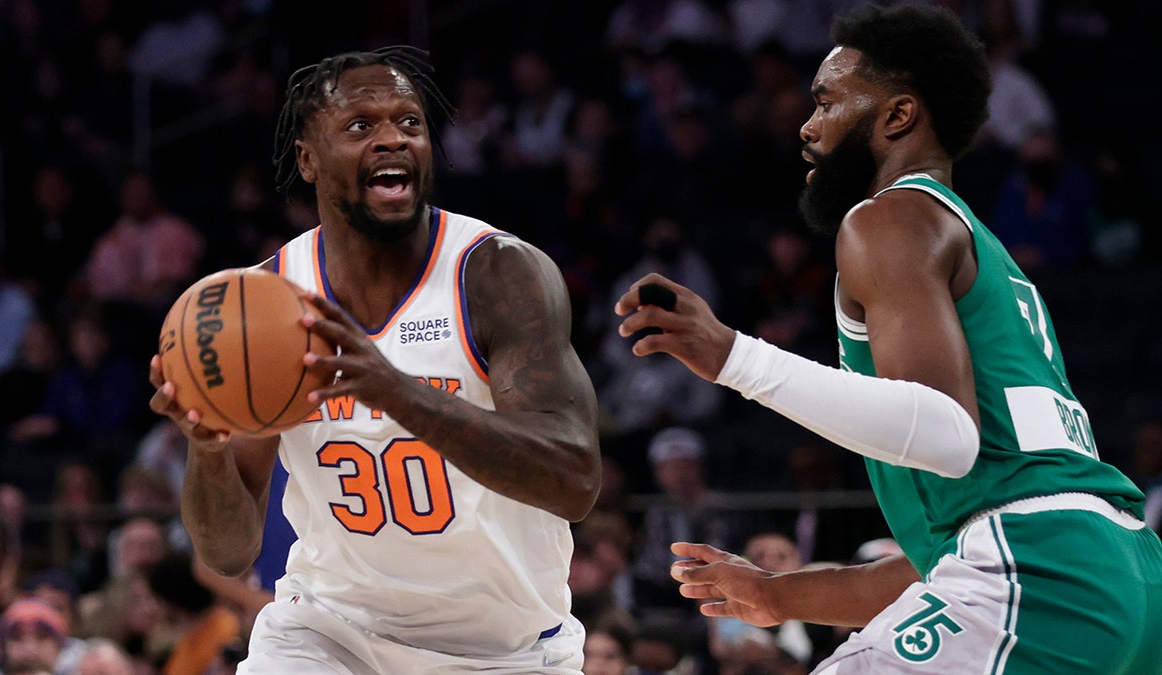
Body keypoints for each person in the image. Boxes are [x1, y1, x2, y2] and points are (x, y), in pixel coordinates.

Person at [613, 4, 1162, 673]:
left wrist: (734, 356)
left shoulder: (890, 218)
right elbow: (952, 565)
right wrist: (776, 594)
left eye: (826, 102)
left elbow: (947, 435)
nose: (807, 128)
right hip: (1121, 574)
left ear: (897, 116)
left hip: (1040, 569)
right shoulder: (981, 255)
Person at [148, 46, 600, 673]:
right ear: (307, 159)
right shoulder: (265, 304)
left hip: (507, 649)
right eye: (361, 125)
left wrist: (398, 391)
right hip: (328, 633)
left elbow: (574, 480)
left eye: (409, 122)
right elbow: (228, 554)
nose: (393, 139)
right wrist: (209, 445)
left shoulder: (496, 273)